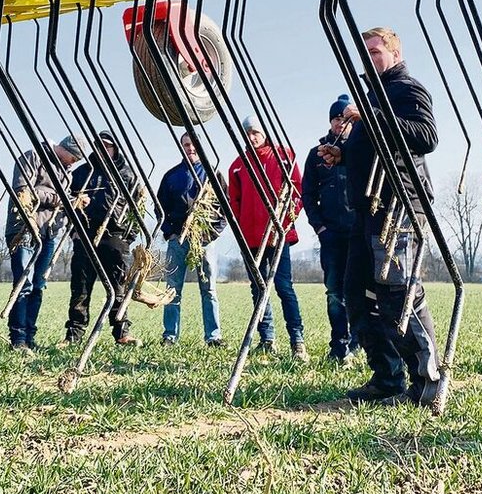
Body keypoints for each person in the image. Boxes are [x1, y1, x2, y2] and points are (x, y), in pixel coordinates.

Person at [320, 26, 442, 407]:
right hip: (367, 211)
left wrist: (372, 115)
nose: (369, 59)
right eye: (366, 53)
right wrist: (341, 155)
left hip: (399, 206)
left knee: (398, 293)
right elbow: (374, 148)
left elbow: (426, 136)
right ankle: (387, 377)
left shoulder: (407, 89)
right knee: (354, 293)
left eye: (375, 52)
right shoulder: (374, 95)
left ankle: (428, 385)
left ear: (395, 53)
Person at [227, 115, 306, 359]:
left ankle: (297, 340)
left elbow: (297, 192)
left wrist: (285, 221)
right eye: (248, 133)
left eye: (256, 133)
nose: (252, 137)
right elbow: (234, 203)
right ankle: (267, 338)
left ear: (264, 134)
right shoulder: (238, 166)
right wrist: (240, 230)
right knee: (259, 289)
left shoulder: (284, 156)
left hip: (278, 235)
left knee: (284, 287)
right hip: (250, 238)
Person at [64, 131, 142, 347]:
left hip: (115, 236)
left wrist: (128, 237)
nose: (103, 150)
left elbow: (138, 209)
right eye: (99, 146)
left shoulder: (127, 175)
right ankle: (74, 334)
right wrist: (73, 231)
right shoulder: (82, 173)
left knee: (118, 287)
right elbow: (68, 203)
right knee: (80, 286)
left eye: (107, 146)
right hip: (85, 235)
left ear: (115, 148)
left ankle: (122, 332)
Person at [5, 137, 79, 352]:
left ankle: (29, 337)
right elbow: (24, 191)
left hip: (49, 233)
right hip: (25, 229)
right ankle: (18, 338)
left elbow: (62, 200)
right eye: (74, 157)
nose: (74, 162)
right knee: (24, 284)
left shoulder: (67, 173)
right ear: (64, 149)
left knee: (38, 286)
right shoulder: (33, 157)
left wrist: (73, 202)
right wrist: (60, 198)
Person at [302, 95, 358, 364]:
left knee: (360, 291)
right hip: (331, 234)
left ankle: (360, 343)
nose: (340, 123)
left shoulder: (361, 150)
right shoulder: (317, 154)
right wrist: (319, 227)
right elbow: (307, 194)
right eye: (336, 119)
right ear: (330, 122)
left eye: (345, 119)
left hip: (358, 231)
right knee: (335, 292)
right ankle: (339, 346)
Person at [158, 132, 224, 347]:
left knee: (209, 289)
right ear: (181, 147)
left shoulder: (213, 174)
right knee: (172, 289)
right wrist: (170, 232)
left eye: (194, 144)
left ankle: (213, 336)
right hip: (178, 240)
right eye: (186, 145)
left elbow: (225, 207)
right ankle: (170, 335)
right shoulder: (171, 176)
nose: (191, 148)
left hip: (205, 241)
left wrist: (211, 234)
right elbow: (160, 208)